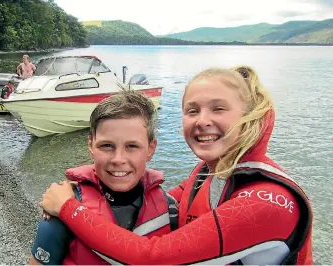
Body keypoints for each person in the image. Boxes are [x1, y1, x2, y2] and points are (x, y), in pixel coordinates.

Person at [40, 66, 314, 265]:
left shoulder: (267, 202)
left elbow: (152, 257)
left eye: (218, 109)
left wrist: (68, 208)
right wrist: (86, 189)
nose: (202, 120)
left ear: (249, 117)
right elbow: (157, 199)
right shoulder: (210, 171)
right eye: (192, 110)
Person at [29, 91, 178, 265]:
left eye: (132, 146)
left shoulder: (170, 209)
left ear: (151, 149)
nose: (118, 159)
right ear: (91, 145)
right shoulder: (60, 213)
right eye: (107, 146)